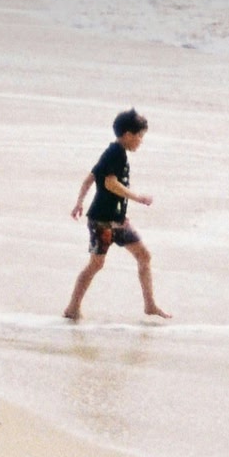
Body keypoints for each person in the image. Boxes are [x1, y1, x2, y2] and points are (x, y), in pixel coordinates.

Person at [64, 108, 168, 321]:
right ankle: (72, 308)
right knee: (96, 264)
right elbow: (110, 183)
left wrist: (79, 203)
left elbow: (90, 179)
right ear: (128, 135)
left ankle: (150, 305)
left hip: (118, 221)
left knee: (144, 255)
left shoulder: (112, 152)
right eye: (140, 136)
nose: (141, 141)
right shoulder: (116, 154)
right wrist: (138, 198)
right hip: (102, 222)